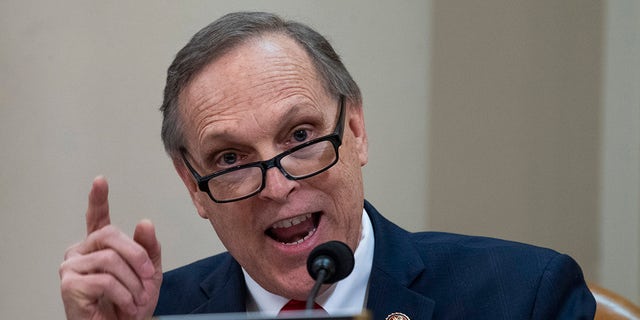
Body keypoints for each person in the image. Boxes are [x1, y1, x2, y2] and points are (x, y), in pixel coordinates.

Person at [59, 11, 596, 320]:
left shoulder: (523, 294)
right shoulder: (151, 316)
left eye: (300, 135)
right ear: (193, 186)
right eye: (230, 158)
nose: (277, 185)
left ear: (356, 130)